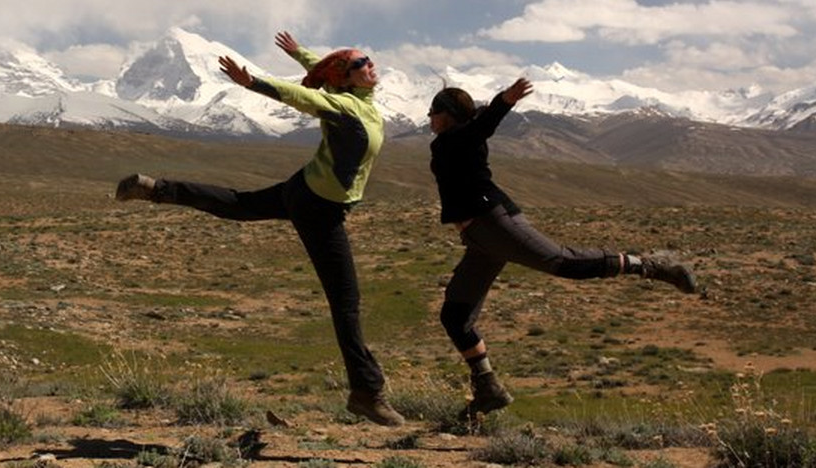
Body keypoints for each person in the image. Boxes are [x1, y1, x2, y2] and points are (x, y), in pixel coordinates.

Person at [115, 31, 404, 426]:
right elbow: (304, 96)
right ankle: (366, 392)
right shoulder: (342, 107)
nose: (368, 64)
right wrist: (253, 83)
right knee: (346, 302)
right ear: (345, 78)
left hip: (304, 190)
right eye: (359, 63)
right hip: (319, 208)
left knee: (239, 204)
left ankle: (156, 189)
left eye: (367, 58)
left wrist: (301, 54)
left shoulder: (361, 101)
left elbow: (322, 71)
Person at [428, 77, 698, 418]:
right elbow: (478, 123)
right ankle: (488, 388)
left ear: (448, 115)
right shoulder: (452, 139)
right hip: (480, 240)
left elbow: (481, 126)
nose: (429, 120)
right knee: (454, 315)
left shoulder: (458, 139)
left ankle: (653, 266)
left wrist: (504, 102)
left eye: (432, 113)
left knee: (561, 262)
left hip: (495, 223)